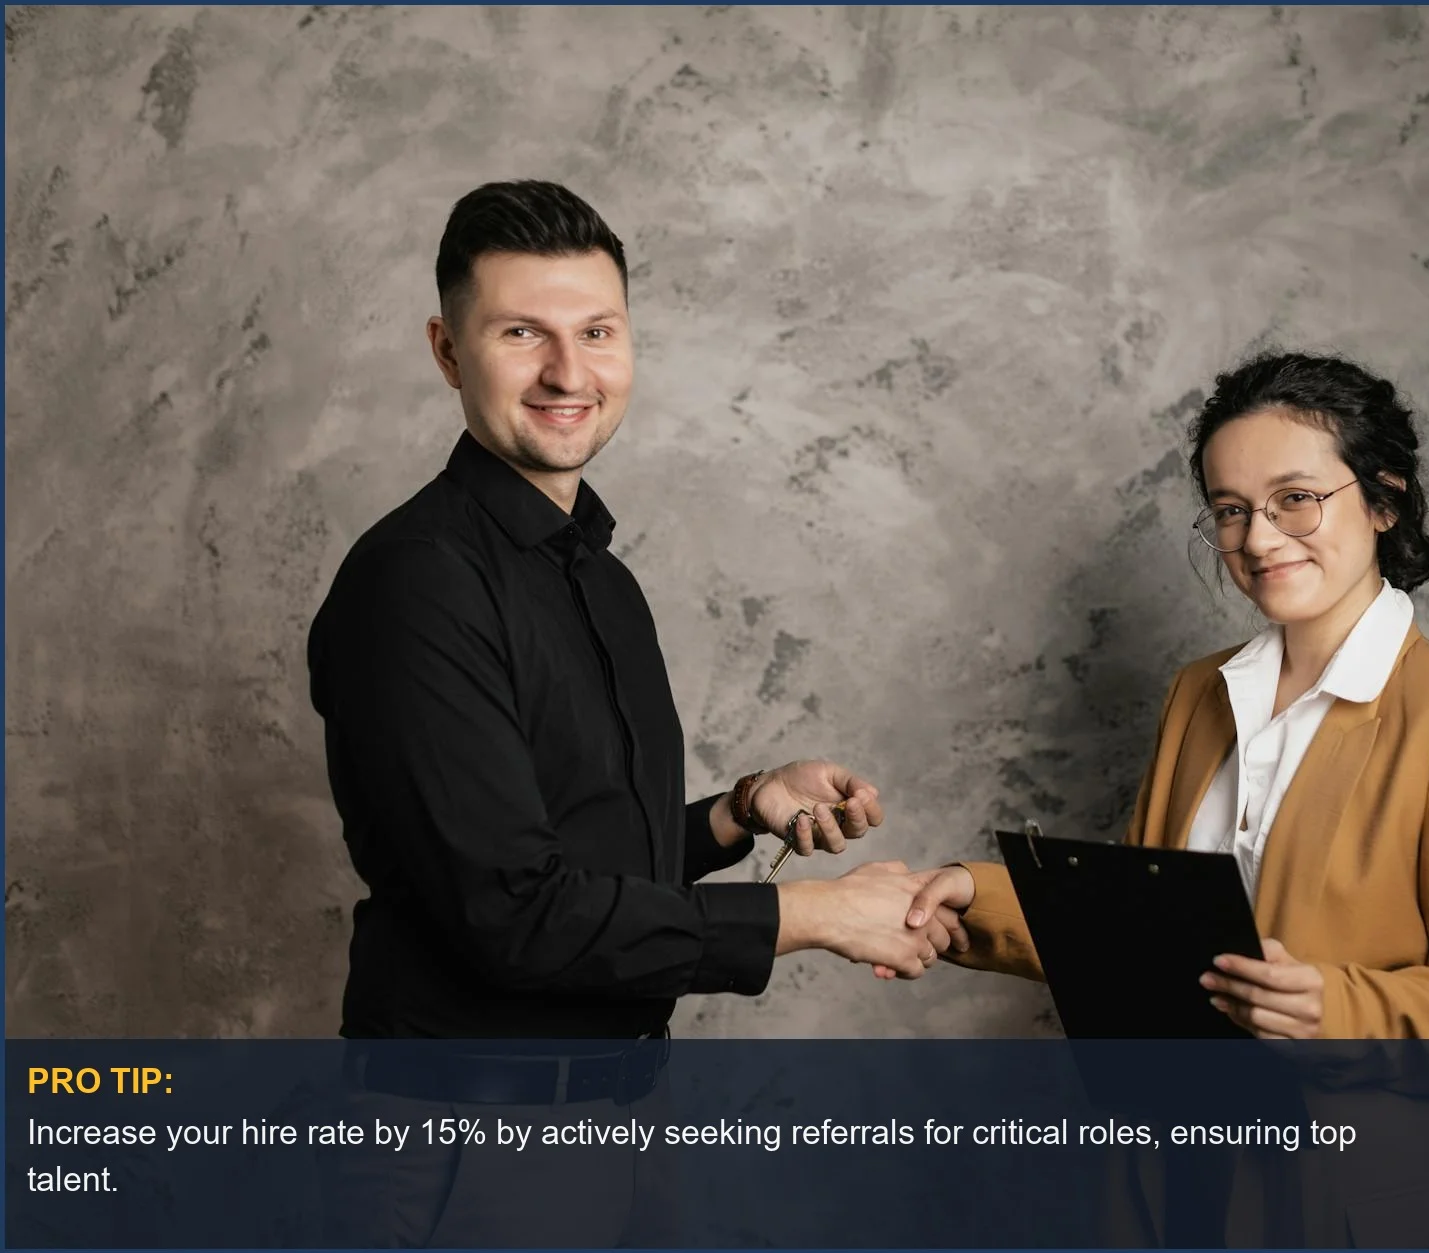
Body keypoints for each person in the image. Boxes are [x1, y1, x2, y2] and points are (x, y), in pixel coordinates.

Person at [303, 180, 957, 1245]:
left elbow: (584, 851)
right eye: (523, 333)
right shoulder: (414, 583)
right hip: (472, 1142)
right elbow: (516, 912)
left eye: (597, 331)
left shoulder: (596, 576)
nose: (570, 372)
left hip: (618, 1120)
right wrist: (818, 914)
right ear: (446, 349)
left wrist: (740, 811)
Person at [901, 351, 1429, 1245]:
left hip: (1371, 1206)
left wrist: (1335, 1007)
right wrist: (978, 899)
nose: (1257, 537)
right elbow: (1144, 928)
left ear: (1383, 499)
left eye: (1296, 497)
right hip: (1190, 1179)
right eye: (1230, 509)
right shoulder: (1199, 695)